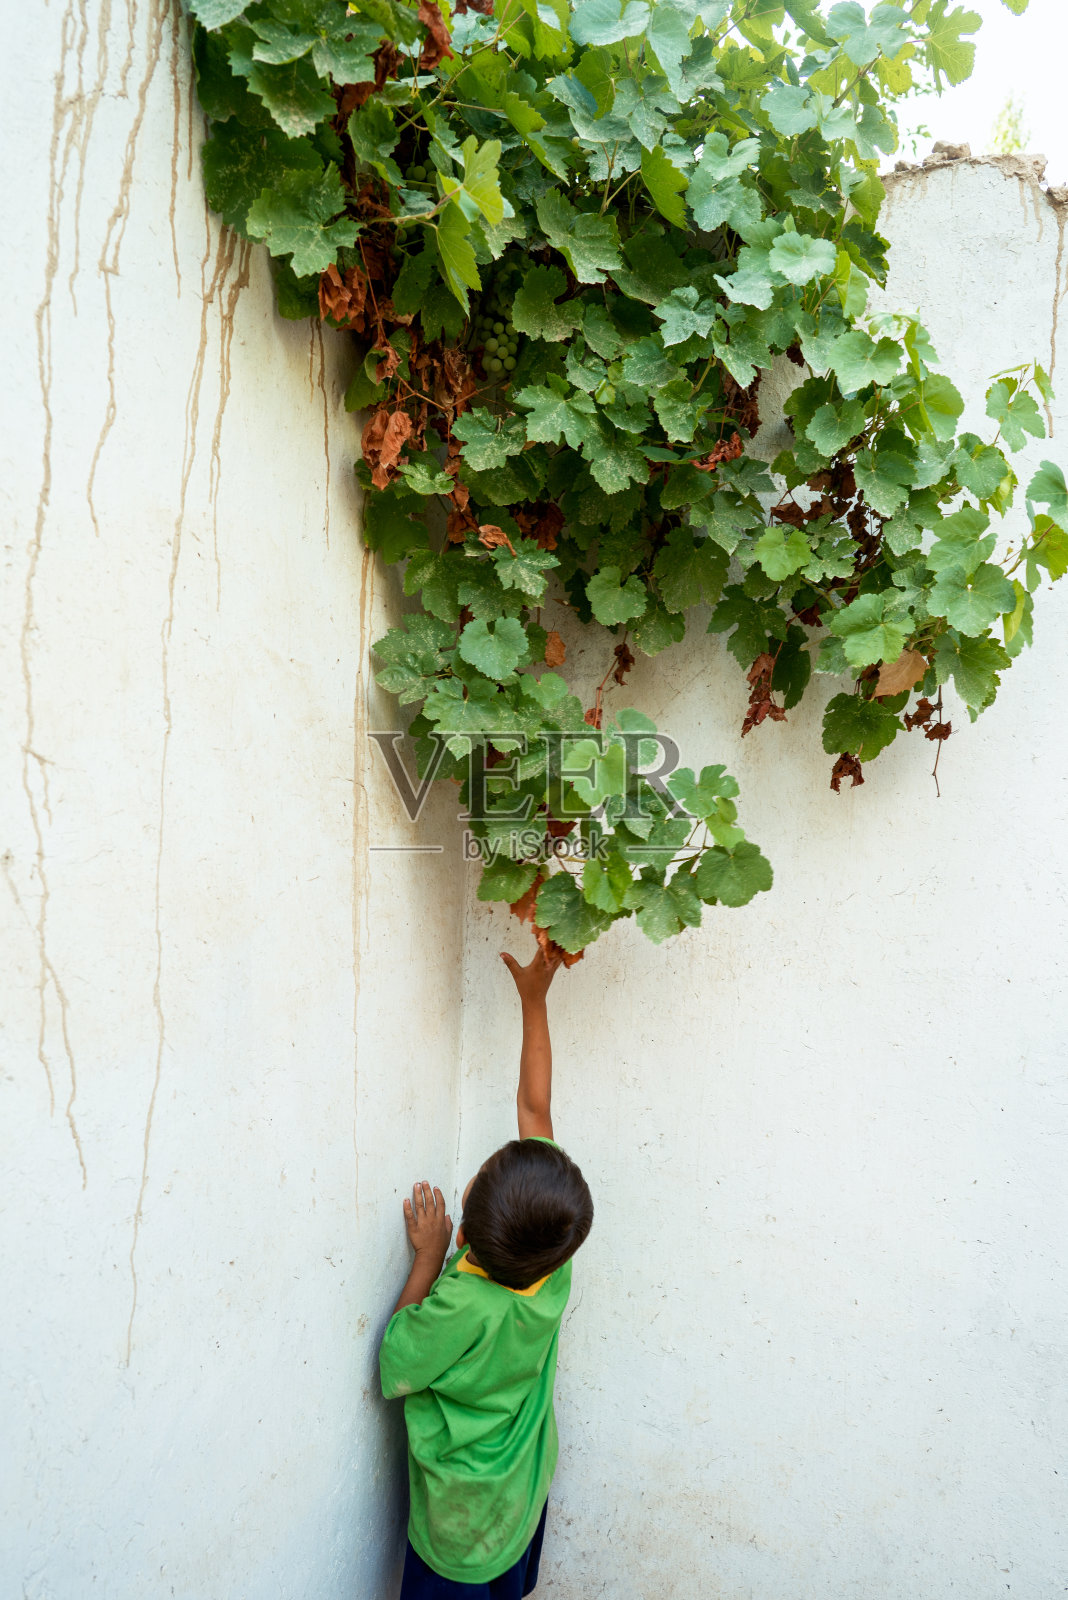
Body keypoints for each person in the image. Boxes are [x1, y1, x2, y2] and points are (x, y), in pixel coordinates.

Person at [379, 945, 594, 1598]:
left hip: (460, 1525)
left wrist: (426, 1258)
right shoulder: (551, 1259)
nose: (513, 1142)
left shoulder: (463, 1304)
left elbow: (396, 1361)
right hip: (521, 1493)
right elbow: (536, 1111)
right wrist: (534, 999)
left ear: (465, 1227)